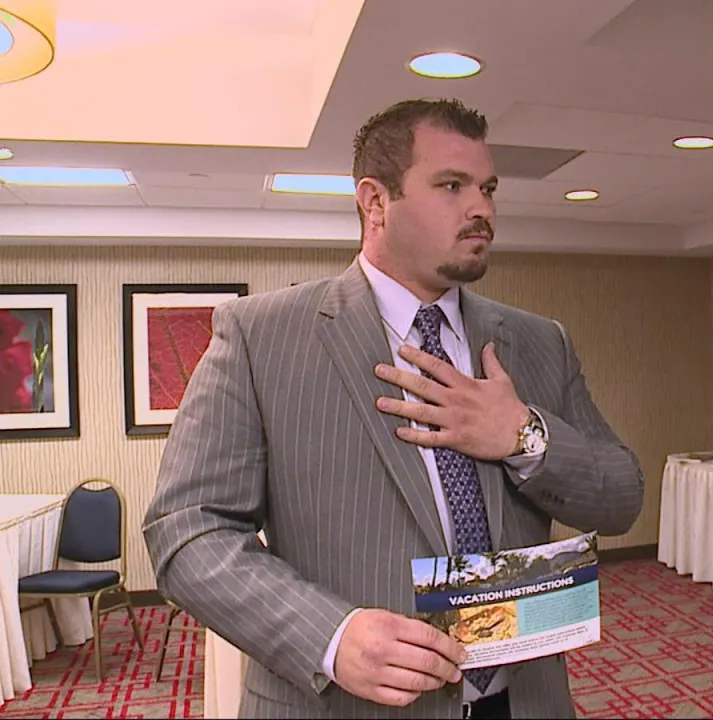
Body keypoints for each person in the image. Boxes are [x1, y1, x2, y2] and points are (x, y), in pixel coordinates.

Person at [143, 97, 645, 719]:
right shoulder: (261, 337)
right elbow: (187, 531)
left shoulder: (540, 342)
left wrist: (524, 435)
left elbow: (622, 497)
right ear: (375, 202)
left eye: (488, 188)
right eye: (452, 186)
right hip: (347, 706)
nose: (482, 209)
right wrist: (330, 636)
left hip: (522, 700)